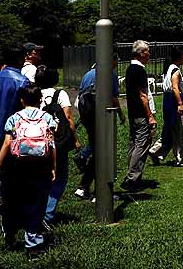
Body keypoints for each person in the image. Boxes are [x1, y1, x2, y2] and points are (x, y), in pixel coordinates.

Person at [0, 84, 55, 257]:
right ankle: (33, 243)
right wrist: (53, 167)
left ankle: (10, 236)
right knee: (37, 202)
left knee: (14, 200)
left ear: (22, 100)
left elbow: (6, 144)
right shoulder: (47, 118)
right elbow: (51, 145)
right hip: (41, 166)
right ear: (40, 100)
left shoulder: (13, 118)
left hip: (16, 166)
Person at [0, 48, 28, 220]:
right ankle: (10, 201)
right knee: (14, 167)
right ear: (18, 60)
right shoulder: (22, 81)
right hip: (14, 131)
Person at [73, 58, 124, 200]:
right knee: (102, 153)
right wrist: (120, 114)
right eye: (116, 60)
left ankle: (84, 186)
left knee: (97, 151)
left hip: (87, 116)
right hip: (100, 117)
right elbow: (113, 98)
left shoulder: (88, 74)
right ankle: (100, 192)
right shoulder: (110, 75)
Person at [38, 66, 79, 227]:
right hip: (58, 142)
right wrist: (75, 139)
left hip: (39, 141)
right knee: (60, 177)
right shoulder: (59, 94)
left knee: (42, 177)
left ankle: (38, 211)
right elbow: (68, 117)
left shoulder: (34, 92)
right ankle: (47, 215)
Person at [121, 40, 157, 191]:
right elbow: (143, 96)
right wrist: (150, 116)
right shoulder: (140, 70)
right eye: (147, 51)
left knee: (134, 144)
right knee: (142, 145)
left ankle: (131, 175)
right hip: (141, 114)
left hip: (132, 113)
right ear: (141, 53)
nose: (149, 54)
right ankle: (133, 178)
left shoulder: (129, 69)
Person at [150, 49, 183, 166]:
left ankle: (156, 151)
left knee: (170, 129)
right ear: (179, 57)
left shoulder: (169, 68)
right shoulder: (176, 71)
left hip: (167, 101)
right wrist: (180, 104)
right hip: (174, 101)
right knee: (182, 131)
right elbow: (175, 87)